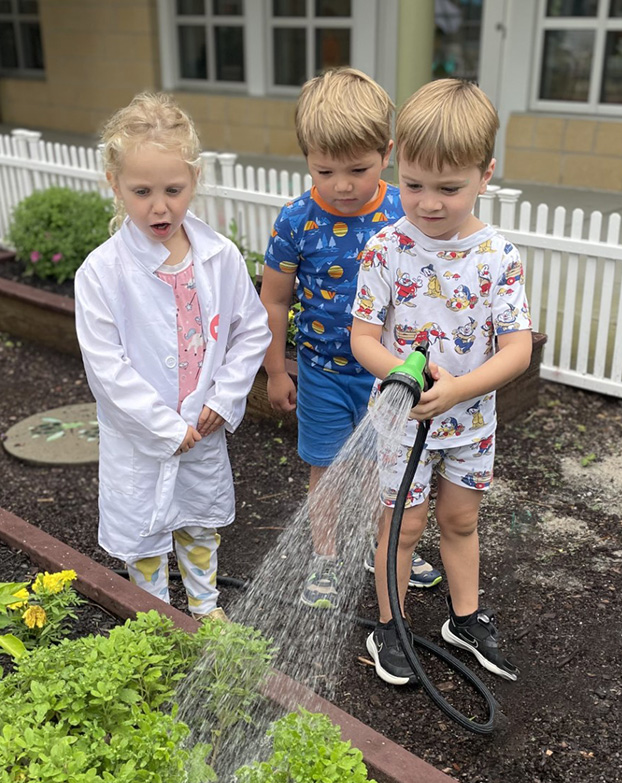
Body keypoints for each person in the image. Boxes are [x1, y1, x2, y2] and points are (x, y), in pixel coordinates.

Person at [351, 78, 532, 684]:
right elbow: (364, 340)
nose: (428, 202)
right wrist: (403, 376)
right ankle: (389, 624)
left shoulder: (497, 258)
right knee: (401, 526)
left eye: (449, 188)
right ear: (398, 165)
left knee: (460, 521)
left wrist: (458, 390)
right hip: (403, 421)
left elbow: (517, 351)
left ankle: (465, 617)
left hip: (471, 423)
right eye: (413, 185)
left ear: (486, 175)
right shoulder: (385, 250)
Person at [75, 92, 271, 621]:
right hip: (144, 433)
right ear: (113, 184)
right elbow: (106, 367)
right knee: (146, 528)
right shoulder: (101, 273)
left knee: (197, 518)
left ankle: (205, 607)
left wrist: (225, 397)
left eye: (173, 190)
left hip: (202, 422)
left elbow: (251, 329)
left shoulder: (219, 257)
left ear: (195, 180)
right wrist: (163, 426)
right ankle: (155, 616)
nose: (159, 206)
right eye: (141, 191)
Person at [260, 67, 441, 609]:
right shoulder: (296, 220)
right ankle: (326, 558)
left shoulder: (402, 212)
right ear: (307, 159)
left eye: (358, 169)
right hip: (323, 374)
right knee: (327, 467)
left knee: (391, 467)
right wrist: (275, 370)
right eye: (325, 170)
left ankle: (383, 546)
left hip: (389, 374)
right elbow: (274, 300)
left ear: (386, 153)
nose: (341, 185)